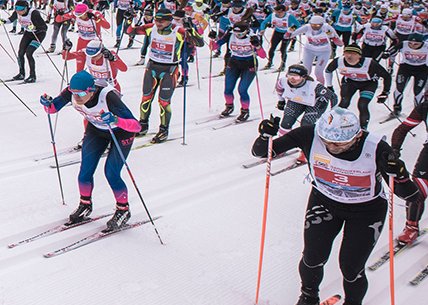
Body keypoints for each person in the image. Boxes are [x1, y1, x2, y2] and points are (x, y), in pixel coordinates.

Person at [251, 107, 418, 305]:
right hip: (325, 202)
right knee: (312, 257)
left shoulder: (376, 147)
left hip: (366, 210)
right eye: (327, 141)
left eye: (339, 144)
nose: (331, 147)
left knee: (351, 267)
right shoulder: (310, 134)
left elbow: (410, 196)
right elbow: (262, 152)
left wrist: (400, 175)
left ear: (357, 136)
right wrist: (265, 136)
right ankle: (308, 298)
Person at [41, 71, 142, 232]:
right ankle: (85, 205)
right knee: (84, 172)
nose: (77, 98)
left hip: (121, 132)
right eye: (74, 93)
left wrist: (116, 120)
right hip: (97, 130)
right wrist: (47, 103)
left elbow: (136, 126)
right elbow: (52, 109)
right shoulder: (73, 91)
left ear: (92, 89)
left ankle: (123, 210)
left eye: (81, 93)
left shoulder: (108, 97)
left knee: (111, 172)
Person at [389, 85, 428, 256]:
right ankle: (411, 227)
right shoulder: (426, 107)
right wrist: (394, 150)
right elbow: (402, 129)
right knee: (416, 192)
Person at [127, 8, 204, 143]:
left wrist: (190, 29)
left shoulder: (178, 31)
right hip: (152, 67)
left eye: (161, 20)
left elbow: (199, 43)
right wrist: (128, 19)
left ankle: (163, 130)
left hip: (169, 70)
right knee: (146, 98)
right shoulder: (151, 28)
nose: (158, 23)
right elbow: (130, 31)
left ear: (169, 20)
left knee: (163, 102)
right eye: (156, 20)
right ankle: (143, 125)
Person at [212, 21, 265, 121]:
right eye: (236, 34)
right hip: (234, 62)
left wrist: (257, 46)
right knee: (228, 88)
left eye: (240, 34)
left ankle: (245, 111)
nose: (238, 36)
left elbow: (263, 55)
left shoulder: (253, 37)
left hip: (249, 64)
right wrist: (212, 38)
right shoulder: (230, 35)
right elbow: (214, 47)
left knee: (242, 89)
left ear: (246, 31)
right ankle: (229, 106)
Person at [326, 45, 392, 125]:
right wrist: (329, 86)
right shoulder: (339, 61)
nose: (349, 56)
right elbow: (328, 71)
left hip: (368, 84)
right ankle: (334, 124)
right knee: (344, 102)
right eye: (346, 53)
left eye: (353, 53)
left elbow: (387, 76)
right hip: (350, 82)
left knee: (362, 105)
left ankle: (363, 129)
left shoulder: (370, 63)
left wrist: (385, 92)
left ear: (359, 55)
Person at [274, 64, 337, 135]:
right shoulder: (282, 81)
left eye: (296, 77)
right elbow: (279, 89)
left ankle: (307, 143)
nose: (292, 79)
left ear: (303, 77)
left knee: (305, 125)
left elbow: (333, 96)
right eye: (290, 76)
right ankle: (284, 142)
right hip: (297, 100)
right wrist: (281, 101)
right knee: (286, 122)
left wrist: (334, 112)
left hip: (315, 104)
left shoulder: (314, 86)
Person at [386, 33, 428, 116]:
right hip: (405, 68)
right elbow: (391, 51)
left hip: (422, 70)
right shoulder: (403, 44)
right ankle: (397, 108)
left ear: (422, 42)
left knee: (418, 91)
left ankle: (418, 111)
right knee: (399, 87)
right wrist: (387, 54)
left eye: (416, 44)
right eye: (410, 43)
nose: (412, 45)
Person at [288, 15, 343, 84]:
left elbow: (340, 44)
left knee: (318, 72)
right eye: (312, 25)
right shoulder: (307, 27)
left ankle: (320, 88)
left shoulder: (327, 28)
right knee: (306, 71)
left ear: (322, 24)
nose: (314, 27)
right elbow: (288, 36)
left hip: (324, 52)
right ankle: (304, 86)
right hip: (309, 50)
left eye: (317, 25)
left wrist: (333, 37)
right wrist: (289, 32)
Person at [11, 0, 48, 83]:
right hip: (28, 34)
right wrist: (4, 21)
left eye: (20, 9)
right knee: (20, 53)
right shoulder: (17, 13)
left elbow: (44, 27)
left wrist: (34, 27)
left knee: (29, 53)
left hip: (38, 34)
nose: (18, 11)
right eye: (16, 8)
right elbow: (11, 19)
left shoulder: (34, 13)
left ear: (26, 9)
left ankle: (32, 75)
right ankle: (21, 73)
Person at [259, 3, 300, 70]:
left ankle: (282, 64)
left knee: (283, 50)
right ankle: (269, 62)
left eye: (280, 12)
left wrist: (293, 31)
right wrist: (262, 30)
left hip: (286, 34)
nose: (278, 14)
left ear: (284, 11)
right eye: (277, 12)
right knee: (272, 48)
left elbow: (299, 25)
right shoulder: (272, 15)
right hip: (277, 33)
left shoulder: (289, 17)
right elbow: (264, 23)